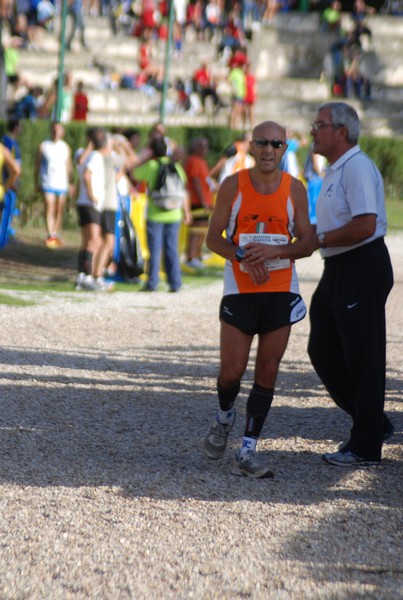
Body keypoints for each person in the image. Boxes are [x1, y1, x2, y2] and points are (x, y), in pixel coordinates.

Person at [203, 120, 313, 478]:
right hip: (240, 287)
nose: (269, 149)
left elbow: (309, 243)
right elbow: (213, 239)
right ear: (250, 146)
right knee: (231, 371)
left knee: (268, 369)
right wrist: (243, 256)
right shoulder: (233, 185)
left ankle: (248, 449)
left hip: (280, 289)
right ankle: (224, 418)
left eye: (277, 144)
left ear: (285, 148)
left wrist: (273, 251)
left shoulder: (295, 189)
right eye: (262, 143)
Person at [307, 101, 394, 467]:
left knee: (362, 356)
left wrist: (319, 239)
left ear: (341, 132)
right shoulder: (336, 168)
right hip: (339, 267)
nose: (313, 129)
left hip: (359, 264)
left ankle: (365, 444)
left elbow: (364, 225)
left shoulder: (356, 166)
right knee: (323, 347)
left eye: (320, 123)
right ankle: (373, 422)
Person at [133, 136, 191, 292]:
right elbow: (183, 190)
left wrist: (144, 158)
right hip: (174, 214)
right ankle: (175, 282)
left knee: (155, 249)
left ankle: (152, 282)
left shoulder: (152, 165)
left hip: (155, 214)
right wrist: (186, 211)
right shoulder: (176, 167)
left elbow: (134, 173)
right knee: (172, 248)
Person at [75, 127, 109, 291]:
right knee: (94, 240)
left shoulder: (85, 154)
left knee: (86, 240)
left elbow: (80, 162)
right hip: (90, 204)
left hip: (83, 203)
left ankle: (82, 275)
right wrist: (92, 195)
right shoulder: (94, 156)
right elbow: (86, 175)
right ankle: (87, 277)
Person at [35, 121, 73, 248]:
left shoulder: (65, 147)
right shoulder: (44, 146)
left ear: (62, 132)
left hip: (62, 183)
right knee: (49, 207)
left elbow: (69, 166)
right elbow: (38, 165)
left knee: (59, 209)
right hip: (48, 181)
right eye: (54, 129)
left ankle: (55, 232)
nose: (56, 132)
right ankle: (50, 233)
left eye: (59, 129)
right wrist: (37, 181)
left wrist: (71, 182)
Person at [184, 136, 214, 269]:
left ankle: (197, 254)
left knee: (202, 229)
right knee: (196, 230)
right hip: (197, 201)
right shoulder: (193, 160)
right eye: (201, 146)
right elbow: (195, 182)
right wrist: (202, 201)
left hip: (204, 201)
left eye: (206, 146)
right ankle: (191, 256)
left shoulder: (202, 161)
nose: (204, 149)